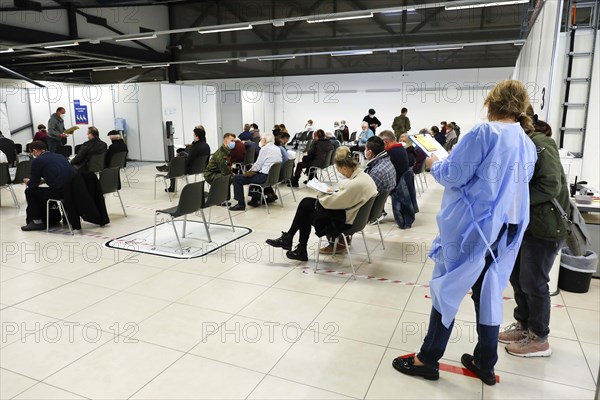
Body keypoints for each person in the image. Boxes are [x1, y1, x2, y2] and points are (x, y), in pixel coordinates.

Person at [392, 80, 538, 386]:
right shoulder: (525, 141)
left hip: (475, 225)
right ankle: (485, 363)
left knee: (448, 287)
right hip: (506, 228)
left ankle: (427, 359)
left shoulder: (485, 133)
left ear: (492, 103)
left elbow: (455, 174)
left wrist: (433, 163)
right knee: (488, 293)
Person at [500, 109, 570, 358]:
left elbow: (551, 184)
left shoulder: (541, 144)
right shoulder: (524, 144)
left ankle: (539, 337)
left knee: (534, 282)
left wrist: (517, 201)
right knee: (518, 277)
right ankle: (524, 325)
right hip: (527, 225)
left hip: (545, 227)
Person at [266, 146, 377, 261]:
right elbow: (345, 195)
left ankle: (293, 242)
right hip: (354, 217)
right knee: (306, 206)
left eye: (339, 171)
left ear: (344, 168)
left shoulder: (356, 184)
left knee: (306, 210)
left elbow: (329, 203)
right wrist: (334, 193)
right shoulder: (363, 177)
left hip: (344, 222)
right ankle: (295, 244)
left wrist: (322, 192)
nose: (341, 174)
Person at [20, 140, 75, 231]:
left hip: (59, 192)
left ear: (34, 151)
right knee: (47, 190)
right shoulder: (60, 156)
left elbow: (33, 184)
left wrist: (28, 182)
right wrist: (44, 180)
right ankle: (55, 218)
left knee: (30, 191)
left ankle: (36, 221)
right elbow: (61, 174)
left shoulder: (37, 160)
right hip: (71, 190)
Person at [230, 132, 282, 211]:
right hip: (272, 177)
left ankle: (240, 204)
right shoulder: (277, 148)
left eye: (261, 139)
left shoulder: (265, 149)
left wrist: (247, 172)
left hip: (264, 178)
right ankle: (257, 198)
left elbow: (257, 165)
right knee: (255, 174)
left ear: (264, 140)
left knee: (237, 179)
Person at [165, 126, 211, 192]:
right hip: (202, 168)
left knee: (180, 156)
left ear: (197, 137)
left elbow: (189, 160)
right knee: (182, 154)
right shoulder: (206, 146)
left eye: (194, 135)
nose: (193, 136)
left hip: (191, 169)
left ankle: (169, 168)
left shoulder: (195, 146)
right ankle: (169, 166)